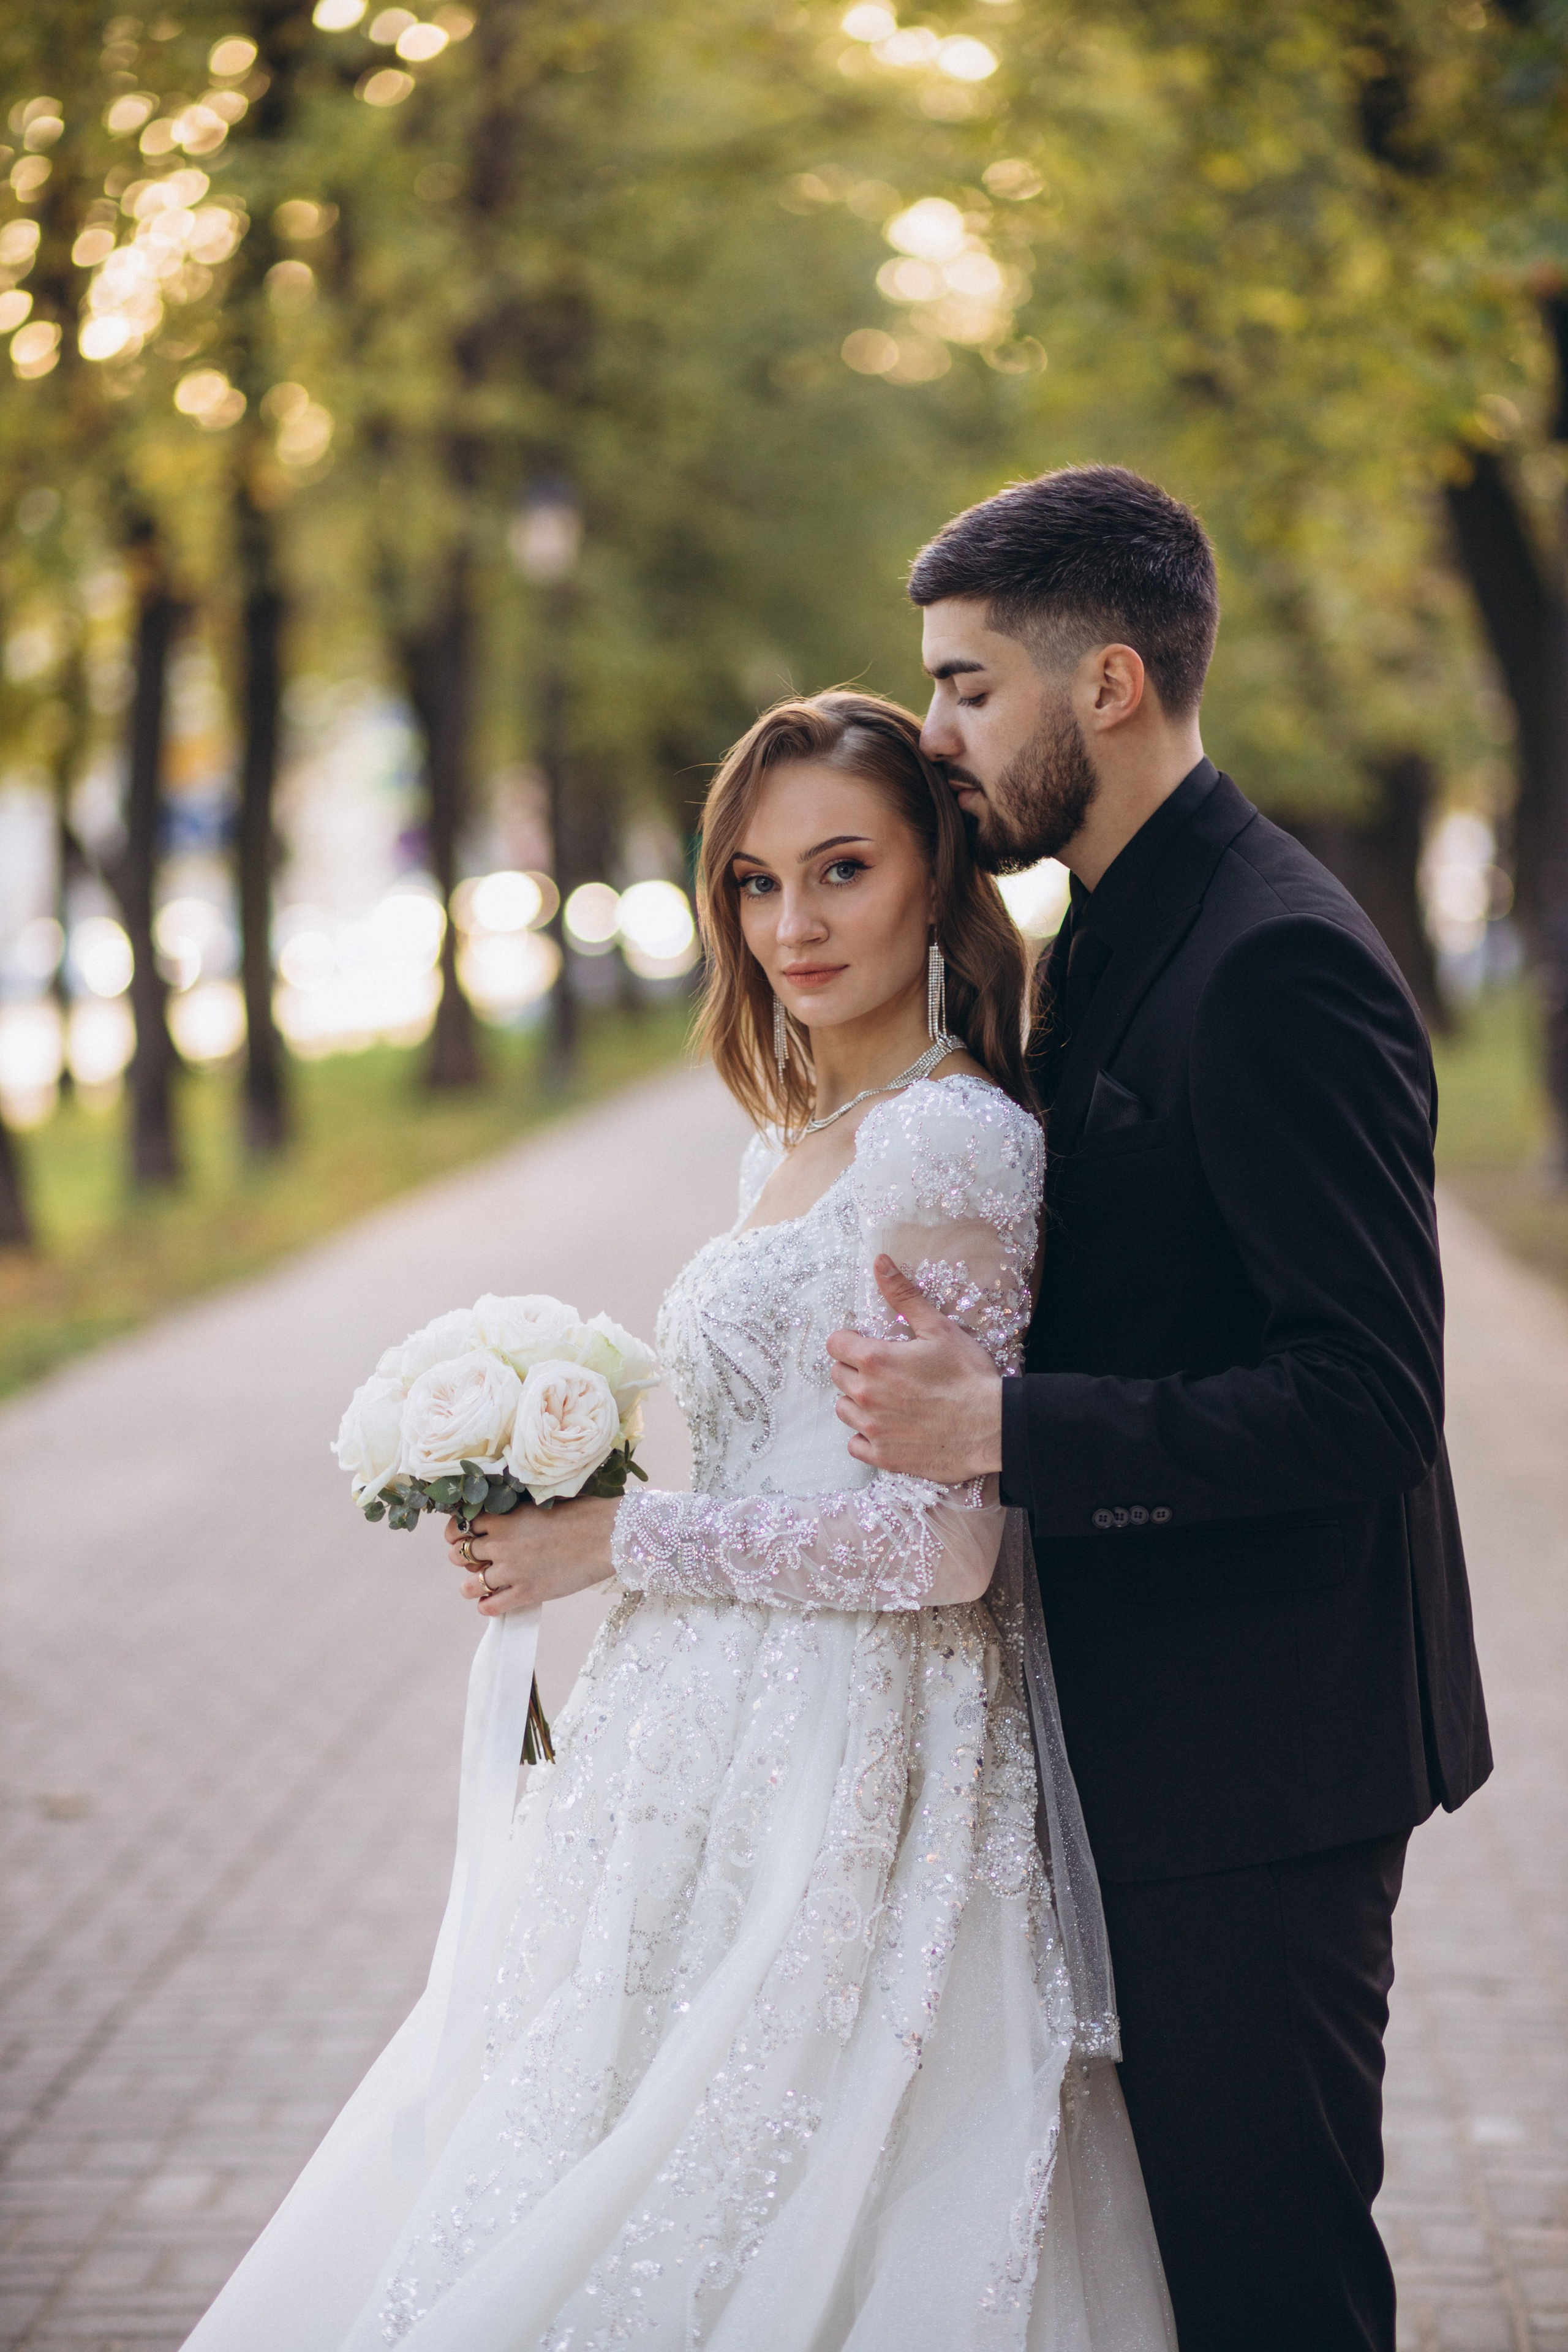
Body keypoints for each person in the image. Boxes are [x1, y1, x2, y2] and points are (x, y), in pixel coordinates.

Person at [184, 692, 1175, 2351]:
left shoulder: (950, 1141)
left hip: (858, 1751)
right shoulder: (792, 1135)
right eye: (756, 883)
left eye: (844, 869)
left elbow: (946, 1550)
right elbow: (789, 1460)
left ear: (936, 878)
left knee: (764, 2164)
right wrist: (567, 1492)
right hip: (701, 1729)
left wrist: (619, 1545)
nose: (795, 926)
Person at [824, 466, 1493, 2352]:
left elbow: (1367, 1398)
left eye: (969, 687)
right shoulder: (1112, 924)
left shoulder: (1276, 959)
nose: (936, 732)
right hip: (1147, 1729)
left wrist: (1005, 1430)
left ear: (1106, 685)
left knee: (1273, 2282)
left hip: (1263, 1758)